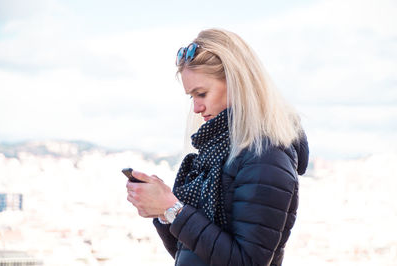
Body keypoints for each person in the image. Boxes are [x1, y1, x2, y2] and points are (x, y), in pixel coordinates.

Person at [126, 28, 309, 266]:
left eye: (201, 93)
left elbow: (248, 262)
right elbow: (192, 253)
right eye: (192, 97)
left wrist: (173, 209)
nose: (196, 108)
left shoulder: (265, 158)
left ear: (238, 83)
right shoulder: (216, 153)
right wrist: (164, 211)